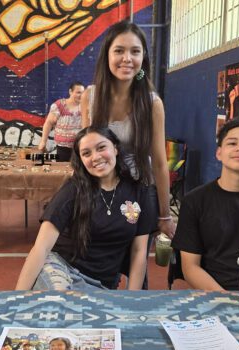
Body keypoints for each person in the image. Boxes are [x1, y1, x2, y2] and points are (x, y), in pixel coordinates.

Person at [81, 20, 174, 288]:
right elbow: (86, 149)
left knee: (137, 264)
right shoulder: (91, 96)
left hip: (137, 191)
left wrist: (165, 215)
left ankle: (134, 314)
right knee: (97, 261)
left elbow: (158, 161)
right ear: (107, 55)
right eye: (119, 51)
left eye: (135, 51)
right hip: (101, 190)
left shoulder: (152, 102)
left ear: (143, 58)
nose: (127, 59)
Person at [15, 126, 154, 290]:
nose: (95, 157)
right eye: (86, 153)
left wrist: (132, 300)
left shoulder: (140, 192)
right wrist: (18, 297)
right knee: (61, 302)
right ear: (81, 159)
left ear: (115, 148)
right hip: (61, 269)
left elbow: (139, 252)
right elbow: (41, 247)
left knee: (78, 311)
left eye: (101, 147)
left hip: (101, 286)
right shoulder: (73, 189)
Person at [171, 117, 239, 291]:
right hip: (213, 293)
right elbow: (190, 267)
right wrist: (225, 298)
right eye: (232, 143)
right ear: (219, 153)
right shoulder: (194, 201)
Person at [38, 81, 85, 161]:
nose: (81, 95)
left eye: (82, 93)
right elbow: (48, 123)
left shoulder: (85, 106)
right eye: (78, 92)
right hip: (63, 149)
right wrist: (43, 141)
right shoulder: (59, 105)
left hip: (81, 148)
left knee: (79, 172)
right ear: (70, 91)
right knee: (63, 171)